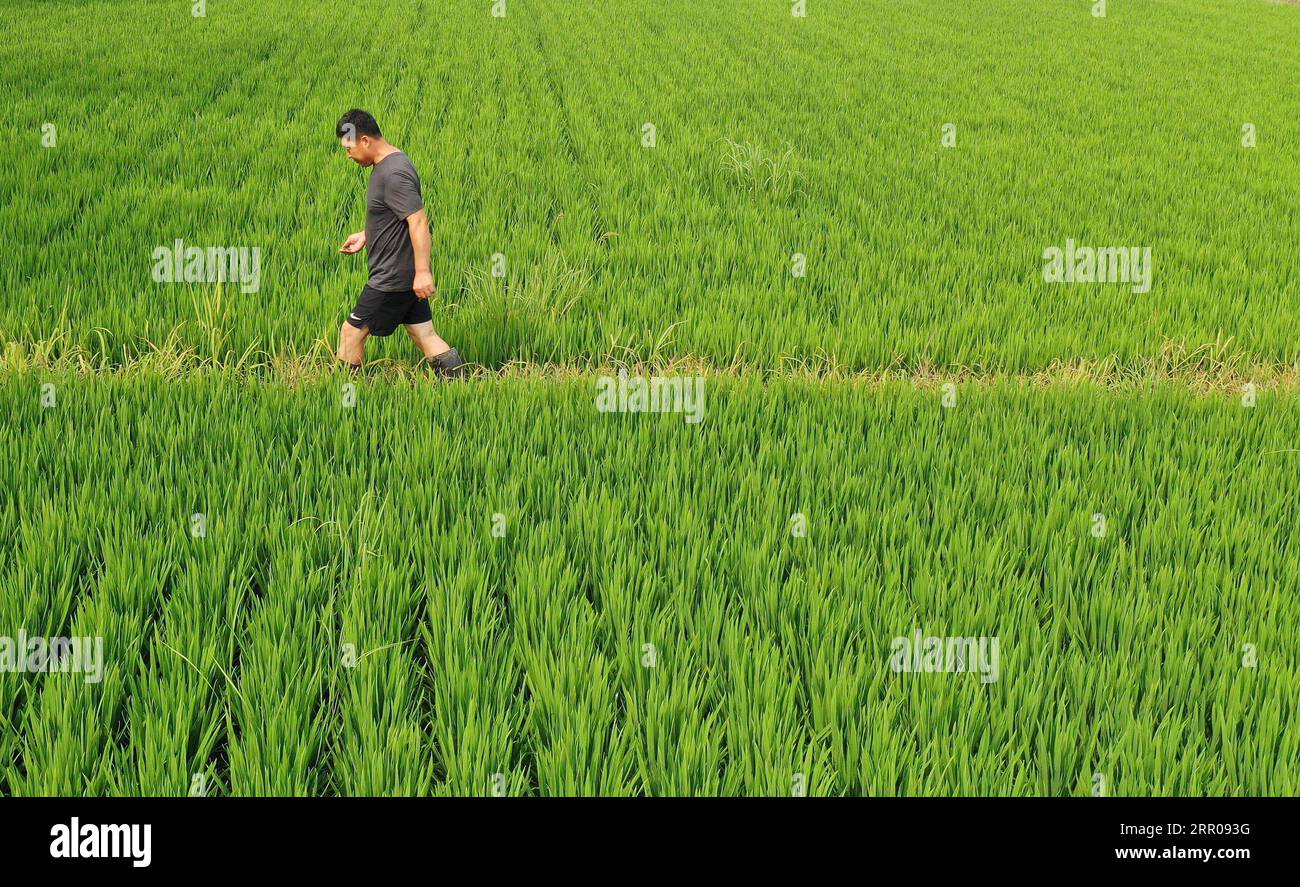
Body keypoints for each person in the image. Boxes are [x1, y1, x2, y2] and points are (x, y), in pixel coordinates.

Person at [334, 109, 467, 377]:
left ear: (365, 141)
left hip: (392, 277)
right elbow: (396, 216)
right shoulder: (391, 163)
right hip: (403, 274)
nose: (348, 155)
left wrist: (423, 272)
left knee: (351, 332)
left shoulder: (393, 173)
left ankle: (343, 394)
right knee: (424, 333)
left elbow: (418, 221)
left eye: (349, 148)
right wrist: (367, 234)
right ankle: (463, 386)